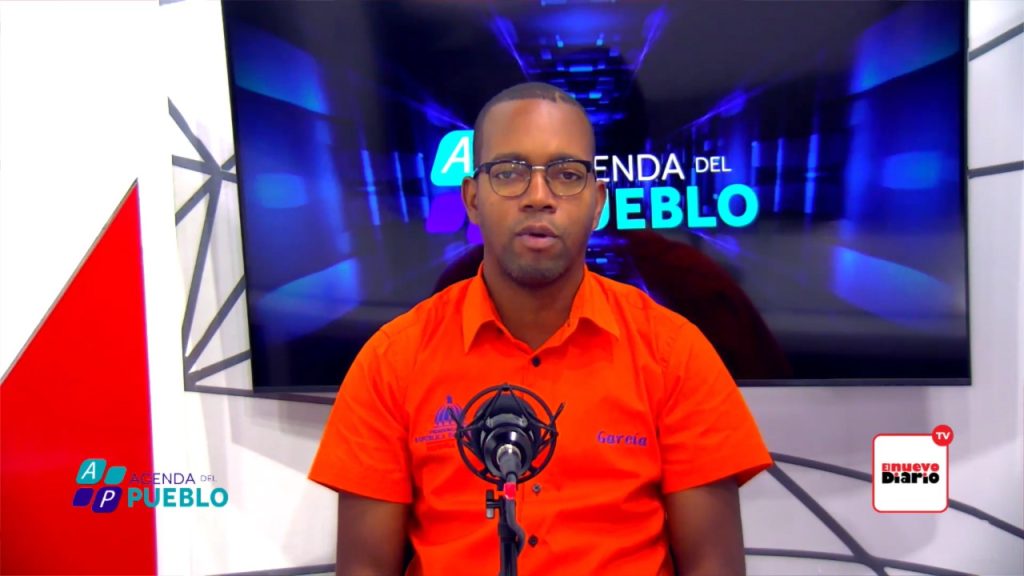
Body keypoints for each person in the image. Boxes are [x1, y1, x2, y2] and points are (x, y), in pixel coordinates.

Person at [309, 82, 772, 576]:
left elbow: (714, 566)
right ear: (472, 198)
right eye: (509, 172)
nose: (538, 197)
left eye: (566, 174)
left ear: (597, 201)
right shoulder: (392, 360)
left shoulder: (674, 353)